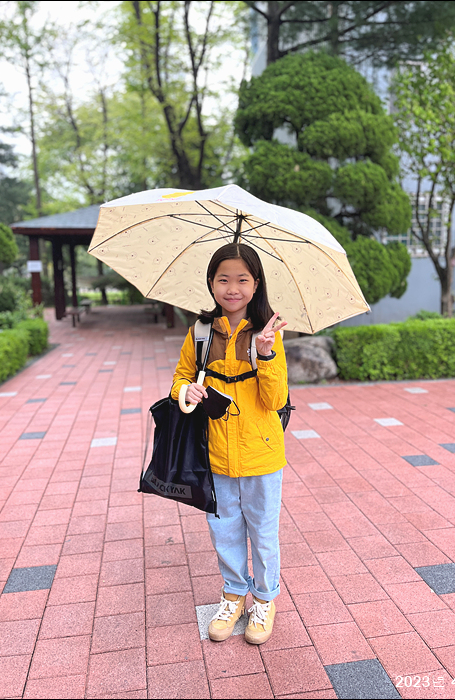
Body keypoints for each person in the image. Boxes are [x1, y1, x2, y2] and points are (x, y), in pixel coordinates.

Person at [170, 243, 288, 645]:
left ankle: (265, 600)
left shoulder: (267, 333)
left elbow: (275, 400)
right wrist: (186, 390)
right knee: (224, 531)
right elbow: (180, 377)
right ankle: (234, 594)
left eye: (242, 279)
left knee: (263, 533)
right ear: (211, 283)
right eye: (223, 279)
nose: (232, 288)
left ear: (256, 285)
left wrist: (266, 355)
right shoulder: (201, 332)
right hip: (215, 453)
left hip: (261, 455)